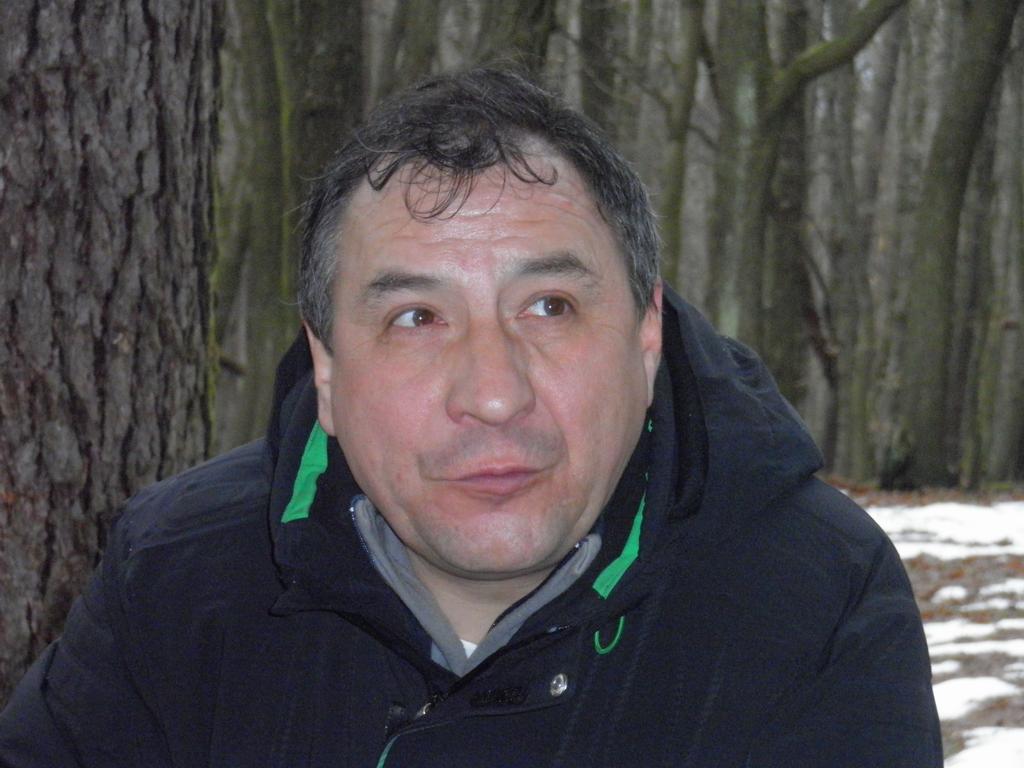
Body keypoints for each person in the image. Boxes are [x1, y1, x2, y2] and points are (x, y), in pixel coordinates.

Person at [0, 68, 940, 766]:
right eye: (417, 318)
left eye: (549, 308)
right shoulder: (173, 578)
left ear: (647, 335)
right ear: (326, 367)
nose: (493, 393)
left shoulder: (814, 598)